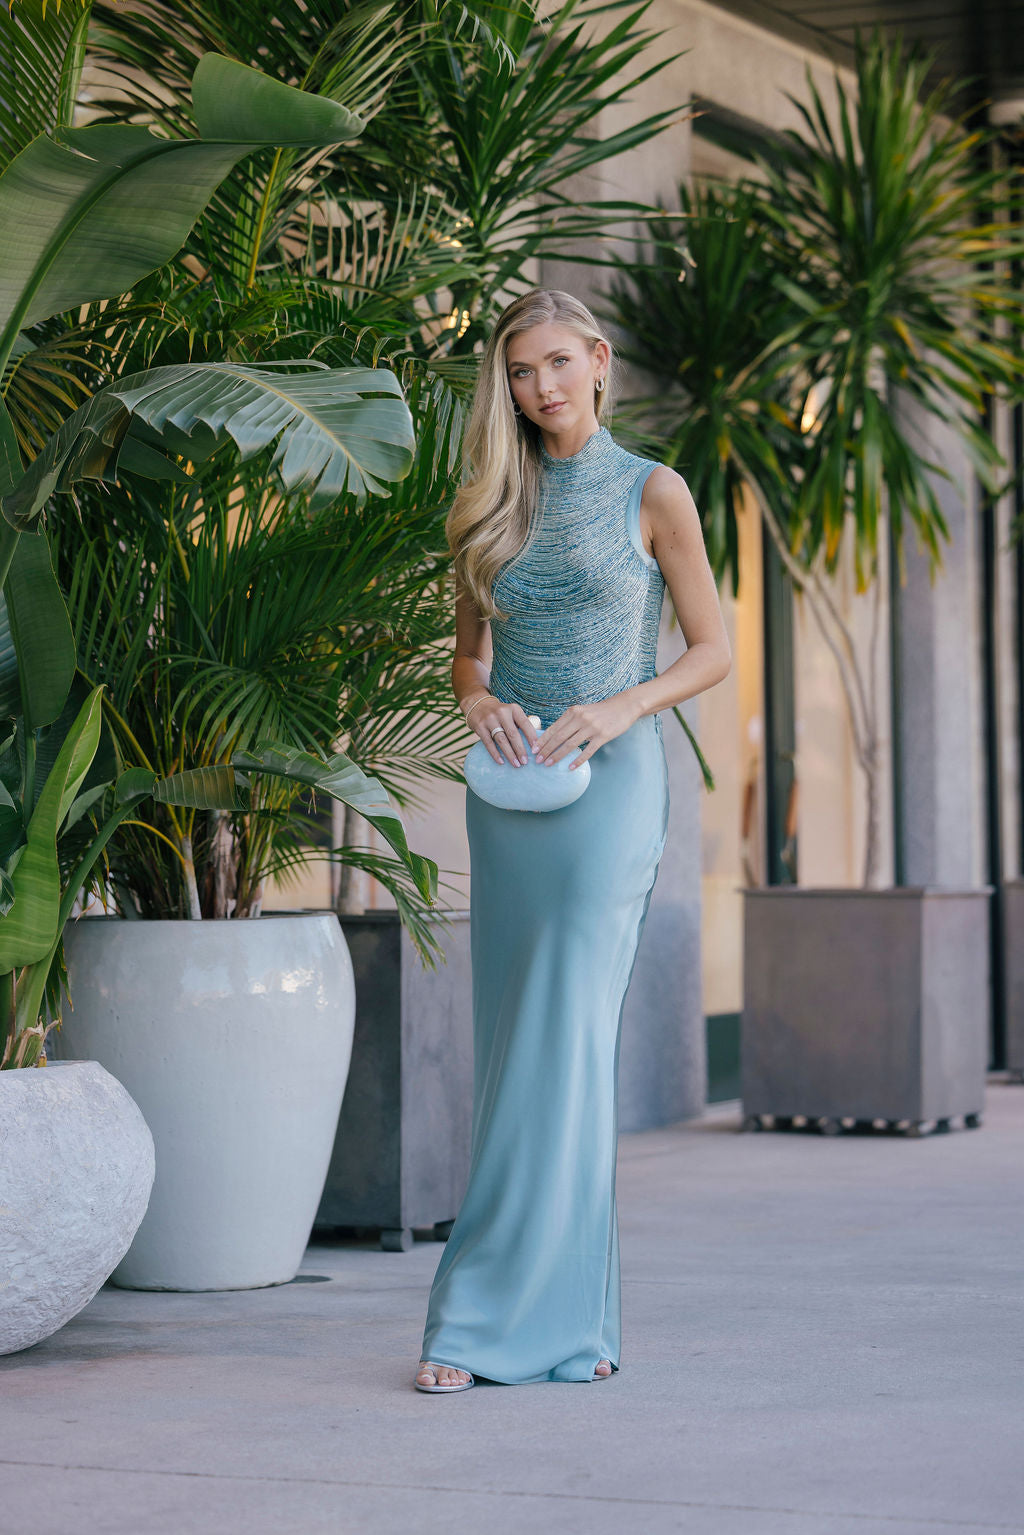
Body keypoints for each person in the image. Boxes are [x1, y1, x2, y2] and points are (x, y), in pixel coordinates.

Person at [415, 287, 731, 1391]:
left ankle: (490, 1322)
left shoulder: (655, 490)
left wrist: (624, 706)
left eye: (556, 362)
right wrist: (478, 701)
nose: (539, 386)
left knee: (566, 1038)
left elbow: (713, 648)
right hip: (512, 794)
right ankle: (556, 1322)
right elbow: (467, 655)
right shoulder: (490, 498)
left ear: (597, 360)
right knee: (514, 1046)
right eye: (517, 370)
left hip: (609, 789)